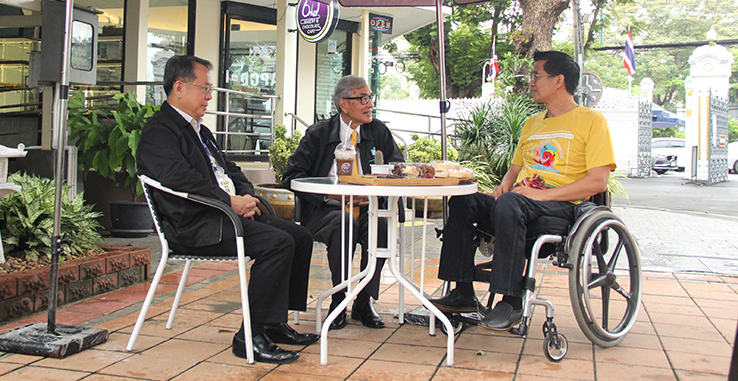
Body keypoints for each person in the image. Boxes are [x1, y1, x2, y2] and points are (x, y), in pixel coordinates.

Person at [136, 55, 318, 364]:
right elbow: (180, 180)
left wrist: (246, 198)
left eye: (210, 89)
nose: (209, 96)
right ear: (179, 88)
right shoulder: (160, 131)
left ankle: (273, 324)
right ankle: (250, 337)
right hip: (196, 224)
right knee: (277, 244)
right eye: (204, 88)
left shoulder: (200, 130)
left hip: (225, 214)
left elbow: (231, 170)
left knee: (299, 236)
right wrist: (228, 202)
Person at [431, 50, 616, 331]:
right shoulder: (532, 124)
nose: (531, 82)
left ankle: (512, 300)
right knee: (463, 199)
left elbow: (598, 182)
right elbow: (514, 170)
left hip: (562, 206)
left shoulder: (592, 121)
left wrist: (541, 195)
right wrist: (504, 185)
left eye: (536, 75)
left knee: (512, 203)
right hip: (520, 202)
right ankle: (463, 292)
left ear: (558, 81)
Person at [283, 75, 404, 330]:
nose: (370, 104)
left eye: (371, 98)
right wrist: (331, 195)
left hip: (369, 206)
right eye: (363, 98)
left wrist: (375, 191)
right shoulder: (318, 134)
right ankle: (339, 298)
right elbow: (292, 176)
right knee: (344, 224)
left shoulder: (378, 131)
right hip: (326, 208)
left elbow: (398, 168)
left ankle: (363, 300)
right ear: (344, 104)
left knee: (381, 226)